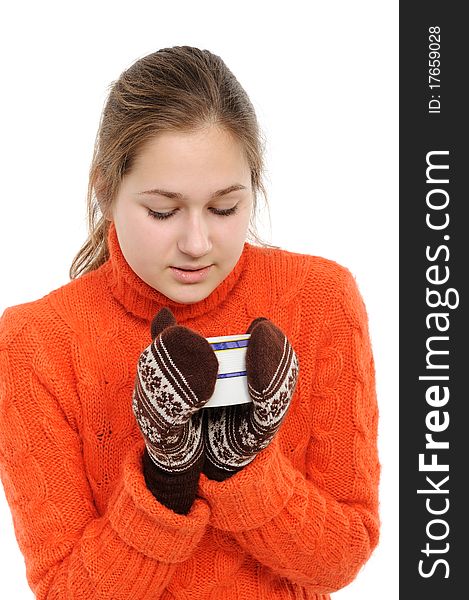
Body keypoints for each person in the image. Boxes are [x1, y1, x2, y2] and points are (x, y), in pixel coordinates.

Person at [0, 45, 380, 599]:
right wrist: (165, 479)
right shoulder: (35, 344)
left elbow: (342, 554)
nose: (197, 243)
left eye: (225, 208)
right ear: (104, 189)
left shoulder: (322, 299)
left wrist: (238, 464)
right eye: (162, 211)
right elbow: (65, 591)